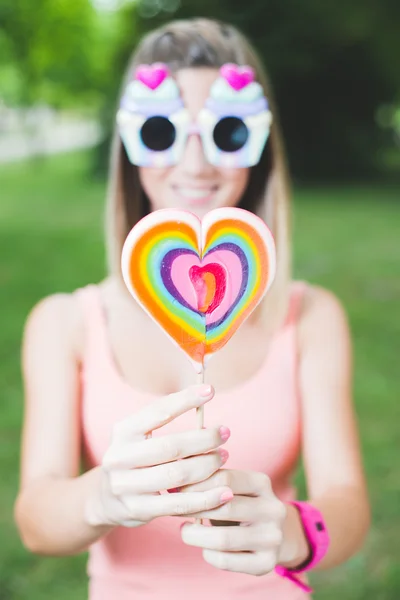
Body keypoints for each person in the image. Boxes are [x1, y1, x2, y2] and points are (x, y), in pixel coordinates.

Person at [14, 17, 370, 600]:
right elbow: (35, 521)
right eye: (162, 131)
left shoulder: (312, 316)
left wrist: (297, 532)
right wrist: (103, 495)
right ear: (130, 146)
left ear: (260, 146)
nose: (196, 164)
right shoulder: (66, 324)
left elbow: (348, 503)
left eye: (228, 132)